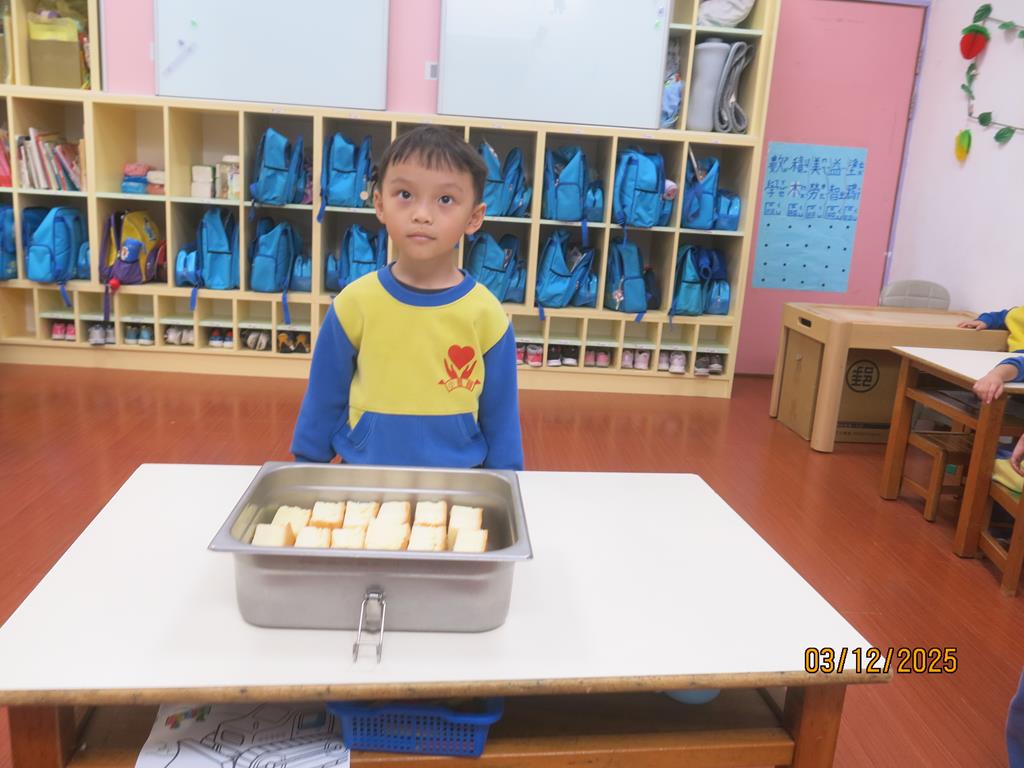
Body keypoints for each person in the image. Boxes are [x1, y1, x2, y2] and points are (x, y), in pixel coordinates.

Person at [291, 125, 523, 469]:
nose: (422, 214)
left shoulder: (486, 313)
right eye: (405, 194)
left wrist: (507, 478)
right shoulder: (354, 303)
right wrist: (307, 466)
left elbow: (501, 417)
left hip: (460, 481)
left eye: (445, 200)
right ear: (380, 204)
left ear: (474, 217)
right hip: (365, 476)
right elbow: (323, 398)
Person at [957, 307, 1024, 403]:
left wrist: (997, 375)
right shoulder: (1019, 313)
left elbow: (1019, 365)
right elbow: (1002, 316)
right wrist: (984, 321)